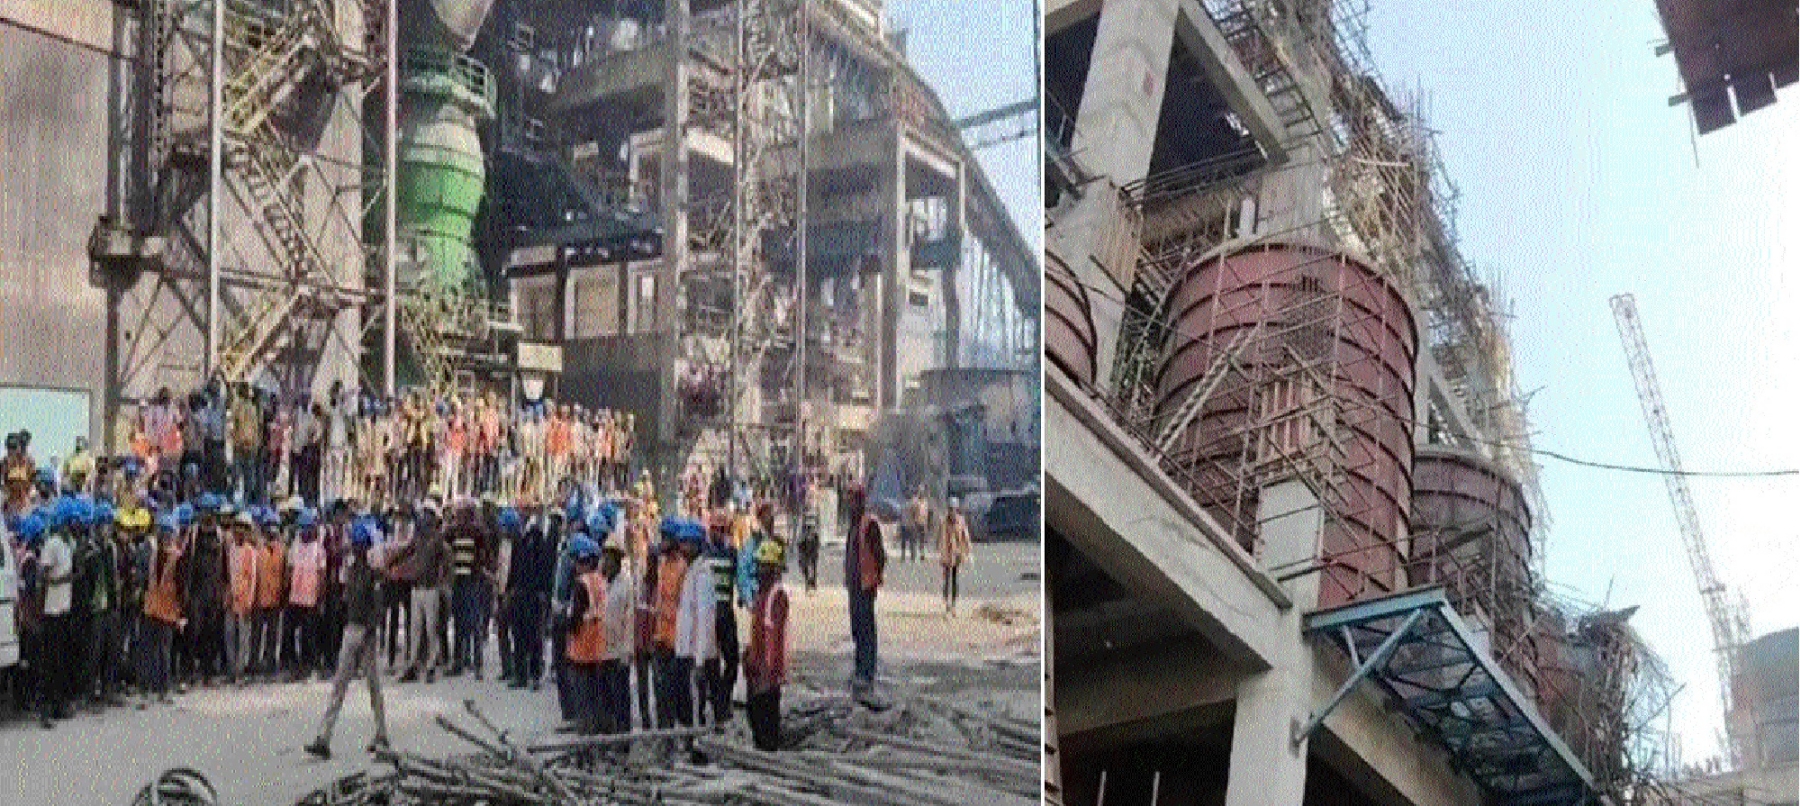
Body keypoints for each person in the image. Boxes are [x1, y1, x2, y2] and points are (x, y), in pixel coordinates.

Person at [305, 516, 389, 760]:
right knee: (340, 685)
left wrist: (369, 633)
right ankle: (324, 736)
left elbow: (376, 609)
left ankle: (381, 732)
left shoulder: (372, 575)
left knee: (372, 686)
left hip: (364, 633)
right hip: (352, 629)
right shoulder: (351, 570)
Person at [743, 538, 790, 751]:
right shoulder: (762, 596)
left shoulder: (777, 596)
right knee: (754, 715)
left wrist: (769, 673)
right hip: (757, 670)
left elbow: (775, 638)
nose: (759, 571)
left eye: (764, 566)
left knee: (767, 724)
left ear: (774, 569)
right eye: (759, 565)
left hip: (767, 674)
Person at [842, 485, 885, 704]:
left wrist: (875, 578)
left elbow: (880, 554)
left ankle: (867, 673)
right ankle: (860, 668)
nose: (851, 505)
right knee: (857, 630)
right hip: (854, 586)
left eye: (853, 500)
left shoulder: (869, 525)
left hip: (865, 586)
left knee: (866, 630)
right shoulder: (854, 526)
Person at [38, 499, 78, 728]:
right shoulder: (52, 544)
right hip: (51, 611)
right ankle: (45, 710)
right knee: (50, 663)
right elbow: (43, 575)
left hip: (64, 609)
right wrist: (63, 579)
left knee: (62, 661)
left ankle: (59, 705)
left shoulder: (68, 544)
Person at [650, 517, 692, 729]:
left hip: (676, 641)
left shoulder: (682, 568)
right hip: (661, 638)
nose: (662, 543)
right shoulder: (662, 566)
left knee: (676, 692)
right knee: (660, 693)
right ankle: (663, 735)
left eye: (665, 538)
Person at [563, 535, 606, 734]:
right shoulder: (601, 581)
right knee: (595, 698)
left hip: (580, 650)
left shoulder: (581, 584)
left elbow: (574, 619)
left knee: (581, 699)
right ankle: (597, 738)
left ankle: (585, 743)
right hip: (598, 649)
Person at [599, 538, 634, 735]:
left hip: (618, 652)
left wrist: (627, 652)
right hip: (602, 650)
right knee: (605, 699)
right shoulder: (602, 582)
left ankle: (622, 739)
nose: (606, 562)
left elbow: (629, 620)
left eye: (610, 558)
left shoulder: (626, 583)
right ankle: (607, 737)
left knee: (621, 699)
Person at [285, 508, 325, 679]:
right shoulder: (295, 545)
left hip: (310, 598)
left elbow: (322, 574)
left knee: (309, 634)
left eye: (308, 528)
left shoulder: (318, 549)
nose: (305, 532)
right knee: (292, 633)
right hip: (295, 597)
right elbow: (289, 569)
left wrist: (320, 597)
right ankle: (294, 665)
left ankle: (311, 665)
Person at [225, 512, 259, 685]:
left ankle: (240, 670)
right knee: (229, 634)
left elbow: (252, 578)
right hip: (231, 596)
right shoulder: (230, 549)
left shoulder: (251, 552)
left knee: (243, 637)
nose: (239, 531)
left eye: (242, 528)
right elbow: (228, 573)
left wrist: (250, 601)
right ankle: (232, 669)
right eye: (237, 527)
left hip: (244, 598)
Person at [939, 498, 973, 616]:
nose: (951, 511)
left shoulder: (961, 521)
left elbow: (965, 536)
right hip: (946, 554)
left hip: (957, 554)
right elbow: (941, 538)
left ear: (956, 509)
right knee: (946, 579)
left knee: (954, 579)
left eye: (953, 509)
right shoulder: (944, 522)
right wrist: (941, 552)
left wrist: (969, 551)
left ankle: (953, 604)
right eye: (950, 509)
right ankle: (946, 600)